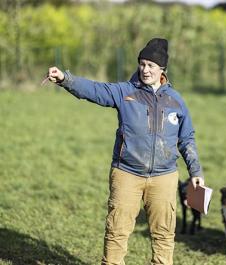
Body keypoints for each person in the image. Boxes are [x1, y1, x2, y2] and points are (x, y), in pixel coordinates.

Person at [47, 37, 204, 265]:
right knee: (117, 232)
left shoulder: (176, 101)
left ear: (163, 69)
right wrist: (65, 79)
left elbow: (187, 138)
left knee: (164, 236)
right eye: (142, 63)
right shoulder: (125, 92)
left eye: (151, 65)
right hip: (127, 173)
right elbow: (94, 90)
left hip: (164, 177)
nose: (145, 69)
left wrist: (196, 171)